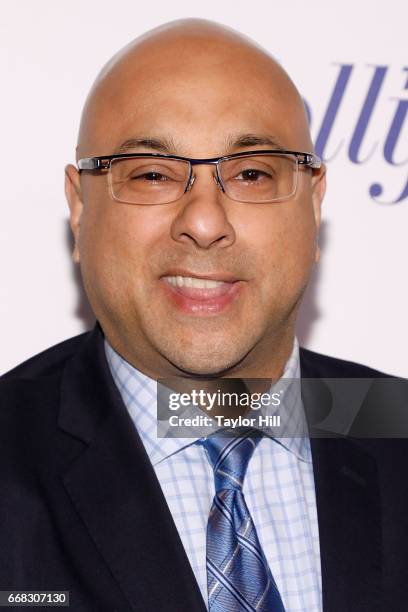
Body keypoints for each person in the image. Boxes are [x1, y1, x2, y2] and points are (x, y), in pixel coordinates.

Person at [1, 18, 407, 612]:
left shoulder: (393, 421)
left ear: (314, 204)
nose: (205, 221)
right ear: (80, 208)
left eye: (251, 174)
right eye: (152, 174)